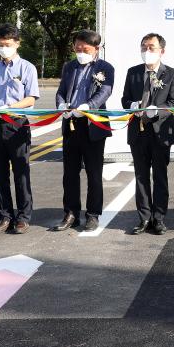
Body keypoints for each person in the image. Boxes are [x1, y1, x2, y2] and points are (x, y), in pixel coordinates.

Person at [52, 30, 114, 233]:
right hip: (71, 123)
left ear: (96, 49)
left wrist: (89, 106)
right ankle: (70, 213)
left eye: (85, 49)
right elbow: (61, 91)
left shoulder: (105, 68)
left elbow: (105, 91)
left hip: (92, 124)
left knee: (94, 173)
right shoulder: (69, 66)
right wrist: (61, 105)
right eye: (77, 48)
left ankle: (93, 214)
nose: (80, 52)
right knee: (69, 173)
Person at [0, 24, 40, 235]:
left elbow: (31, 98)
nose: (3, 48)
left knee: (21, 173)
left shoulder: (27, 68)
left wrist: (11, 107)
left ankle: (23, 217)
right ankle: (5, 216)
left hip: (17, 124)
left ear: (17, 43)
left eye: (7, 44)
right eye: (0, 44)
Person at [121, 32, 174, 235]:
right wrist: (133, 105)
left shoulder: (171, 74)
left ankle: (159, 218)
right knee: (141, 176)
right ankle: (144, 218)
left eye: (151, 47)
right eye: (144, 47)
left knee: (160, 176)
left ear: (161, 51)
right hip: (138, 132)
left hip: (160, 132)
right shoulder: (133, 72)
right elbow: (125, 99)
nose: (147, 51)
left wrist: (157, 111)